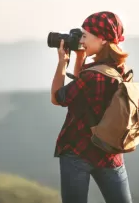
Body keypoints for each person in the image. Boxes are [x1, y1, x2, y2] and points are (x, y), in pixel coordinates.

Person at [50, 11, 133, 203]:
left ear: (102, 39)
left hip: (77, 152)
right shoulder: (117, 70)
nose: (82, 39)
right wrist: (80, 58)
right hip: (110, 153)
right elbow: (85, 85)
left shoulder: (92, 76)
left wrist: (63, 62)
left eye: (85, 35)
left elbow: (56, 98)